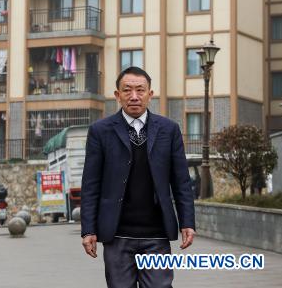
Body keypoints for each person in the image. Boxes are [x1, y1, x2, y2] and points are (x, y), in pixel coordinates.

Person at [81, 66, 196, 287]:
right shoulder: (100, 131)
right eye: (127, 90)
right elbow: (91, 185)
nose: (134, 96)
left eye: (140, 90)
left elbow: (181, 181)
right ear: (117, 95)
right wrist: (89, 230)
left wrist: (187, 222)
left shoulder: (169, 130)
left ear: (150, 94)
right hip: (117, 235)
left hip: (157, 234)